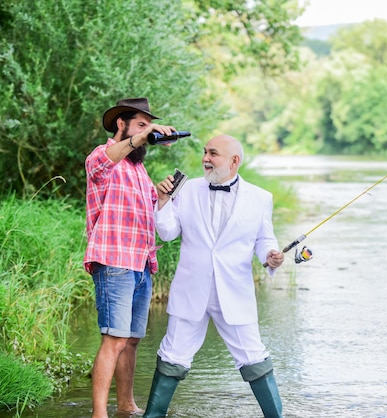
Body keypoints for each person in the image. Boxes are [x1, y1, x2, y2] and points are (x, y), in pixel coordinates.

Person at [143, 134, 285, 418]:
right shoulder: (186, 189)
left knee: (253, 357)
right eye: (205, 152)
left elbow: (264, 240)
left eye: (213, 153)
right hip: (191, 288)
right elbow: (168, 232)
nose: (206, 159)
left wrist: (271, 255)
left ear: (234, 161)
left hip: (234, 292)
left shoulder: (260, 198)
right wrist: (162, 201)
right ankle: (152, 416)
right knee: (173, 355)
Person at [84, 97, 177, 418]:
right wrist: (143, 135)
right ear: (120, 125)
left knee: (132, 341)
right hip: (114, 263)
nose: (147, 132)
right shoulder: (102, 156)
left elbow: (152, 217)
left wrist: (163, 197)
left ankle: (126, 406)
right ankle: (100, 414)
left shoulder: (140, 170)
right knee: (114, 340)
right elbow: (101, 165)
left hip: (142, 266)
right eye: (140, 124)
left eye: (148, 126)